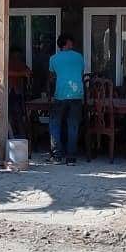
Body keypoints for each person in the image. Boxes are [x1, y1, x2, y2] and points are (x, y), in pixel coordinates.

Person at [48, 34, 85, 165]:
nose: (73, 45)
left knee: (55, 124)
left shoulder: (53, 58)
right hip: (77, 94)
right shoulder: (79, 57)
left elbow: (52, 77)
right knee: (73, 126)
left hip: (60, 94)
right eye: (71, 42)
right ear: (68, 43)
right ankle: (71, 158)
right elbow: (81, 73)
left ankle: (57, 156)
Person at [8, 46, 32, 139]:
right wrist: (22, 73)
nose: (17, 56)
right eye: (16, 54)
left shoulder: (20, 63)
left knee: (18, 114)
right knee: (13, 114)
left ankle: (20, 136)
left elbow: (29, 72)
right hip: (11, 91)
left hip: (17, 91)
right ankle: (15, 136)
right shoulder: (7, 62)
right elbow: (6, 72)